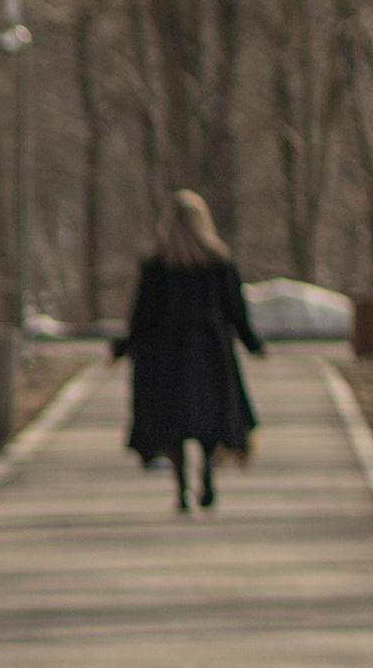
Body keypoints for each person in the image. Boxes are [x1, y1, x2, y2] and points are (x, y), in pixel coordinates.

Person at [112, 189, 266, 510]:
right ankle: (207, 474)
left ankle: (181, 487)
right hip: (209, 353)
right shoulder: (218, 262)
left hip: (164, 355)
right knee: (208, 419)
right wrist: (252, 343)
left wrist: (124, 347)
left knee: (174, 423)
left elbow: (142, 314)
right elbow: (235, 310)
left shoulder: (157, 264)